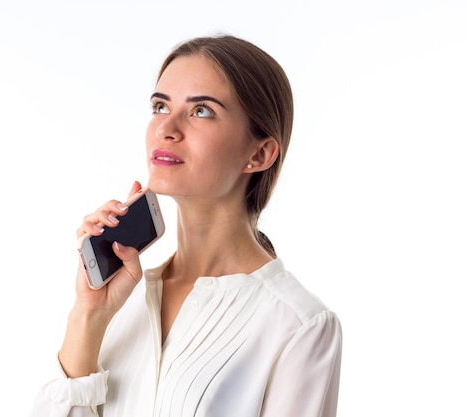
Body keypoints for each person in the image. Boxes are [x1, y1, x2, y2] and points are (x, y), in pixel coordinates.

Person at [29, 34, 342, 417]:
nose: (166, 128)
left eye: (202, 111)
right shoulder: (122, 302)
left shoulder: (298, 324)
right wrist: (89, 316)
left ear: (259, 154)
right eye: (160, 106)